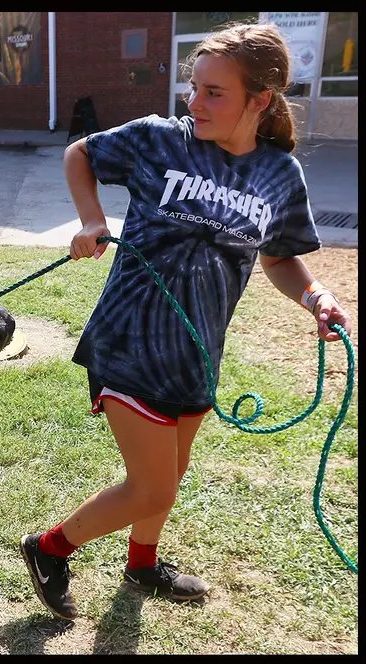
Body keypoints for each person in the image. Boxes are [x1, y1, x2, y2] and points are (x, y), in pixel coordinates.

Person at [19, 22, 354, 622]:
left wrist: (316, 297)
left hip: (198, 351)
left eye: (214, 92)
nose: (194, 103)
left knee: (171, 471)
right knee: (152, 486)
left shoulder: (280, 177)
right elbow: (81, 154)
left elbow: (278, 258)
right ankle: (49, 549)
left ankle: (142, 562)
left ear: (261, 100)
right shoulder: (157, 141)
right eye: (193, 87)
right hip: (128, 338)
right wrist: (91, 219)